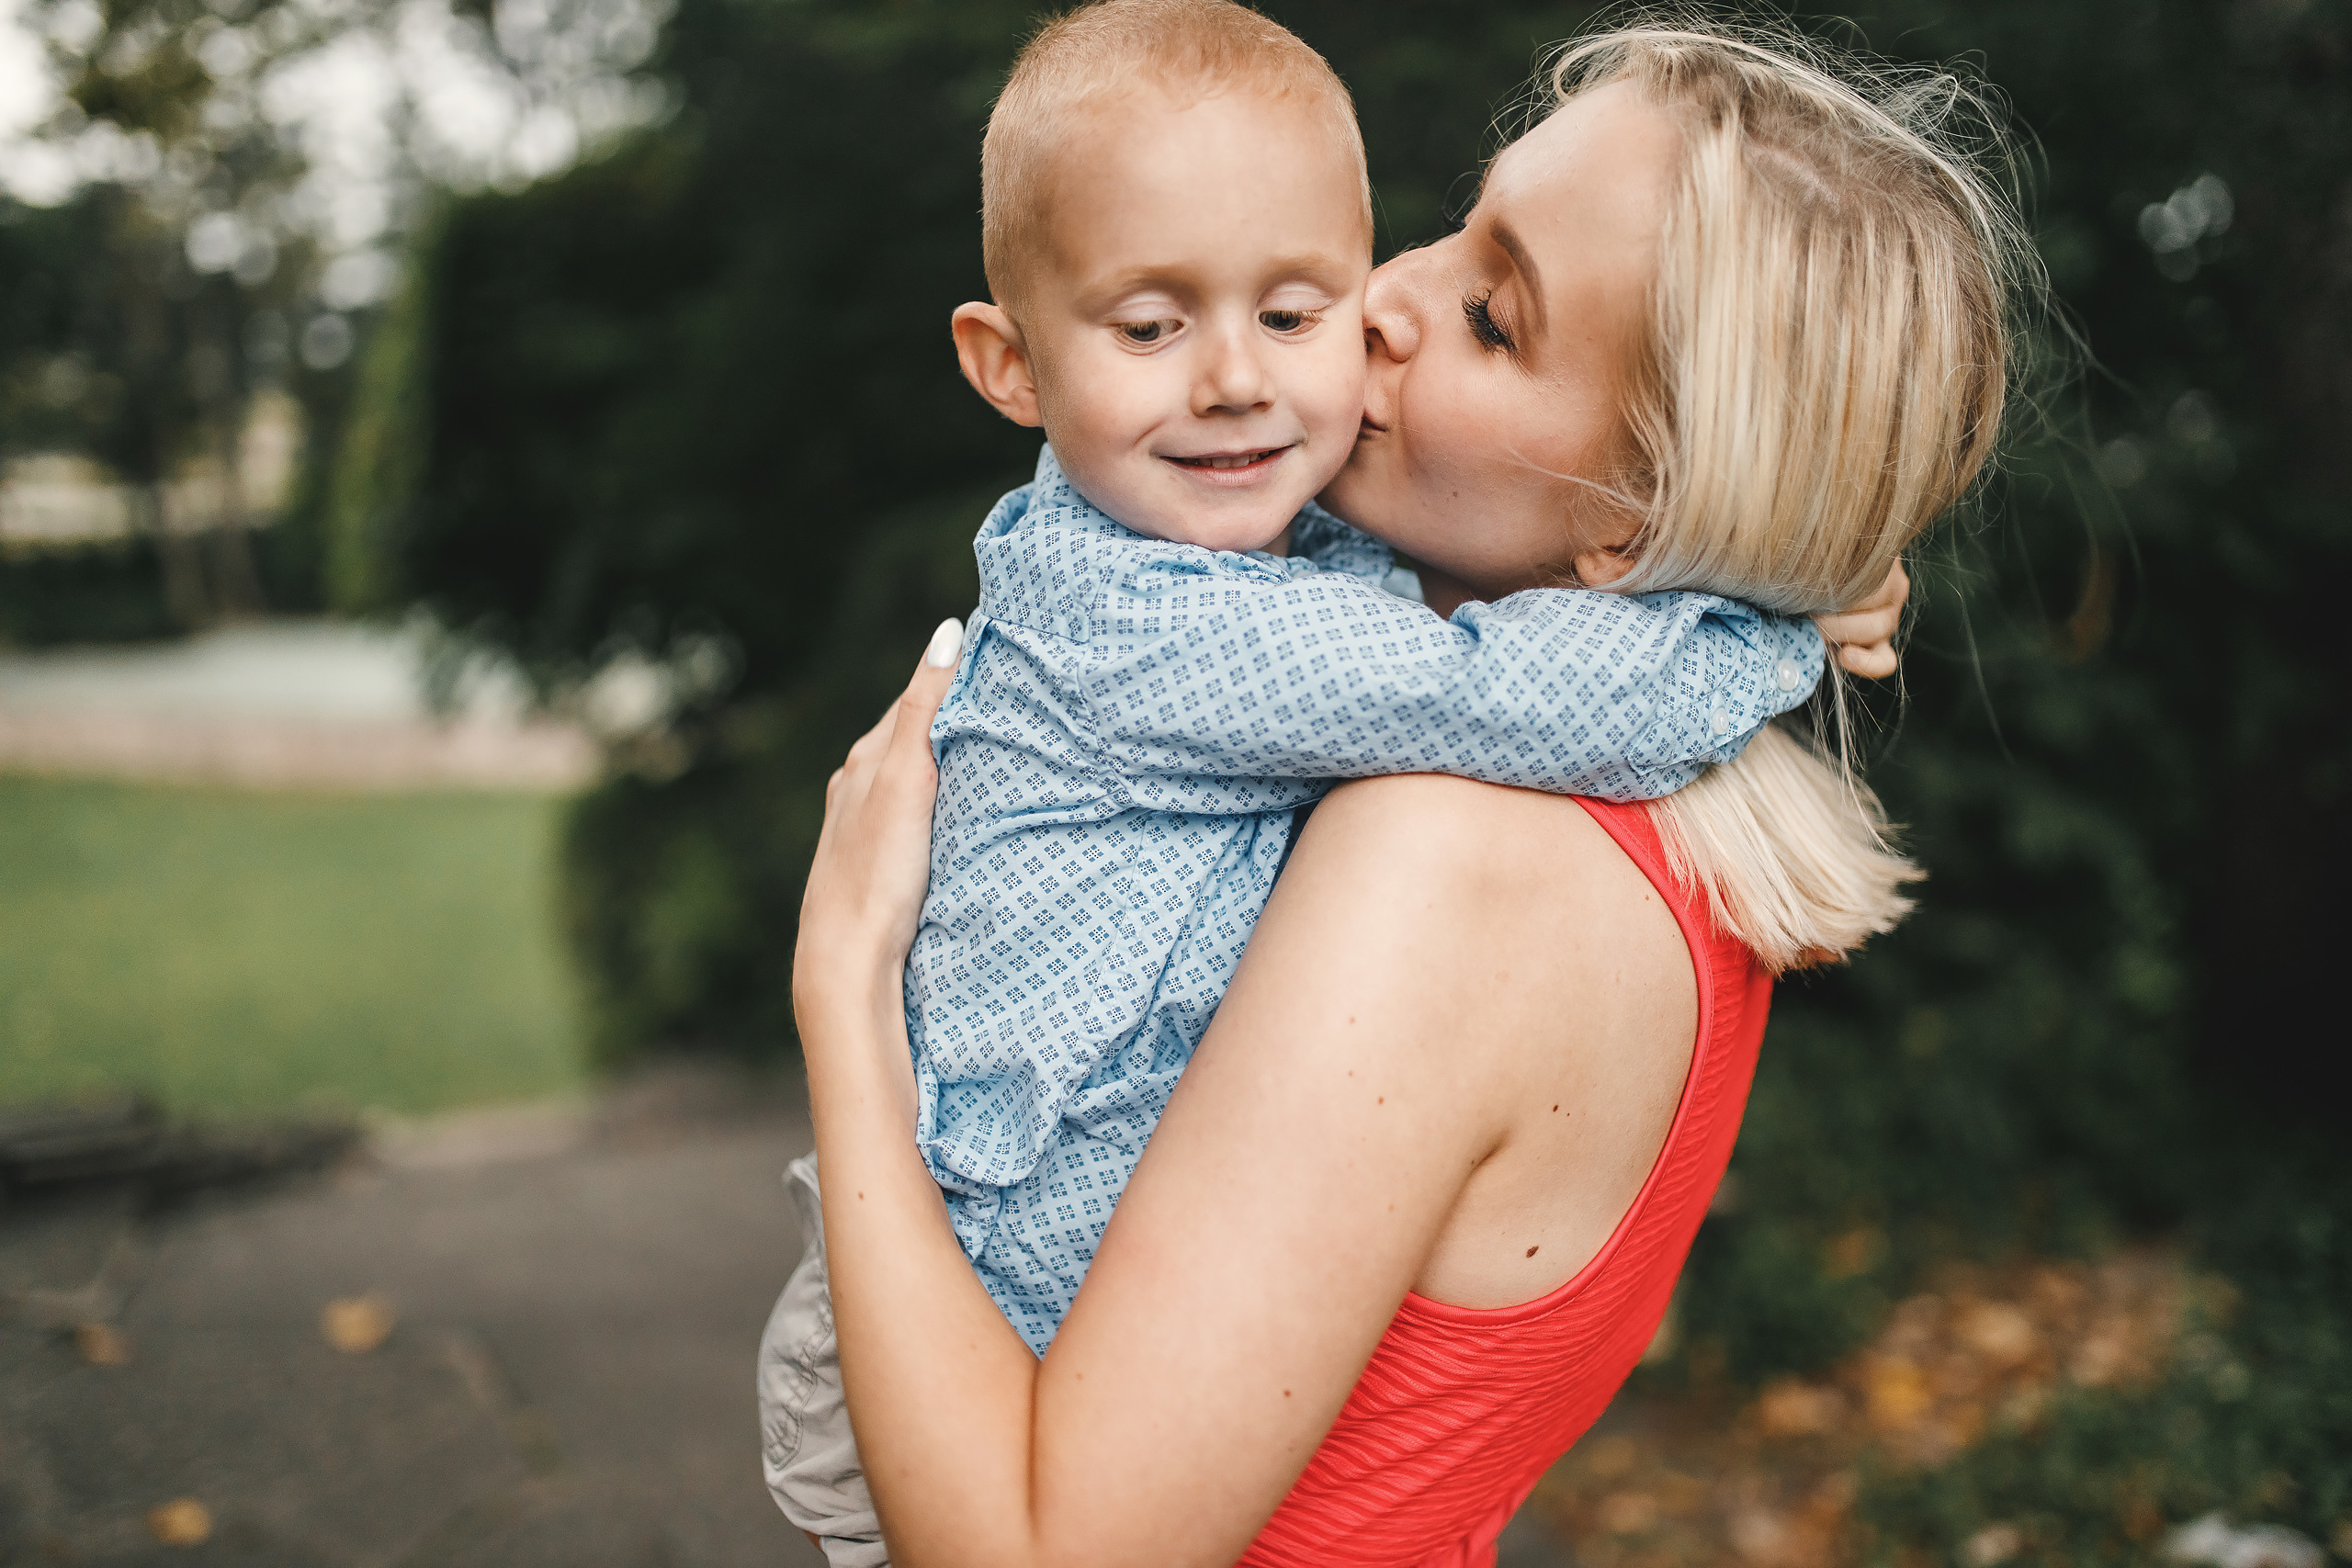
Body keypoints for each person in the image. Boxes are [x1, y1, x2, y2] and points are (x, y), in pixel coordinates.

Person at [793, 13, 2019, 1568]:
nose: (1378, 305)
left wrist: (844, 989)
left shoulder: (1438, 859)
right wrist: (1784, 586)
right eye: (1451, 230)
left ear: (1638, 527)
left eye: (1494, 317)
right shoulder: (1653, 840)